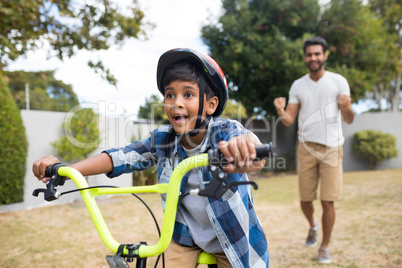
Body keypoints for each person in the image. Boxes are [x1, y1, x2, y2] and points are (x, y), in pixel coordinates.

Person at [33, 48, 269, 268]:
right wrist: (65, 168)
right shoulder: (162, 140)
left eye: (188, 94)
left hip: (232, 238)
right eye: (169, 94)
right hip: (185, 237)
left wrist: (245, 150)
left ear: (210, 104)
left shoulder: (226, 132)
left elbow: (252, 149)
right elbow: (122, 157)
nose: (176, 102)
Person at [273, 37, 354, 264]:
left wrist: (348, 108)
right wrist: (280, 110)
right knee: (305, 200)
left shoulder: (339, 82)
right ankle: (312, 225)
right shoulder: (298, 85)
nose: (313, 58)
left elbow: (348, 119)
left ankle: (324, 247)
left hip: (332, 149)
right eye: (309, 54)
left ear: (325, 55)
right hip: (306, 148)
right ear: (305, 57)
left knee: (328, 201)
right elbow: (289, 119)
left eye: (318, 54)